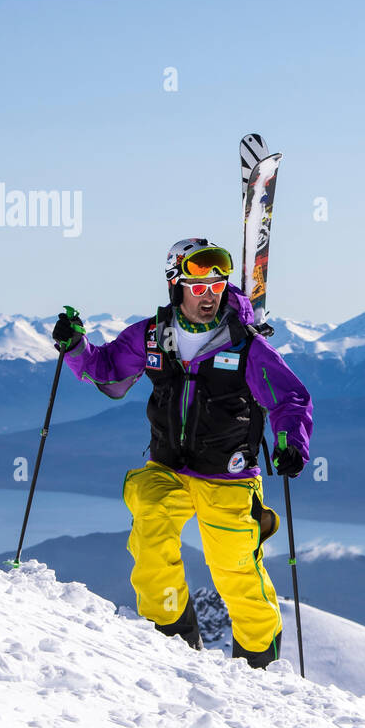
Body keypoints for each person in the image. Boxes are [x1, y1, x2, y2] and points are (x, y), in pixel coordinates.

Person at [50, 237, 313, 669]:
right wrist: (76, 347)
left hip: (228, 475)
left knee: (235, 571)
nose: (209, 295)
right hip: (168, 465)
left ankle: (259, 664)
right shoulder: (153, 335)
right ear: (176, 285)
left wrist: (292, 445)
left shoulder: (246, 345)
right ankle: (173, 640)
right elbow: (110, 374)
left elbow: (290, 400)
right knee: (149, 529)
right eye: (198, 286)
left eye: (217, 285)